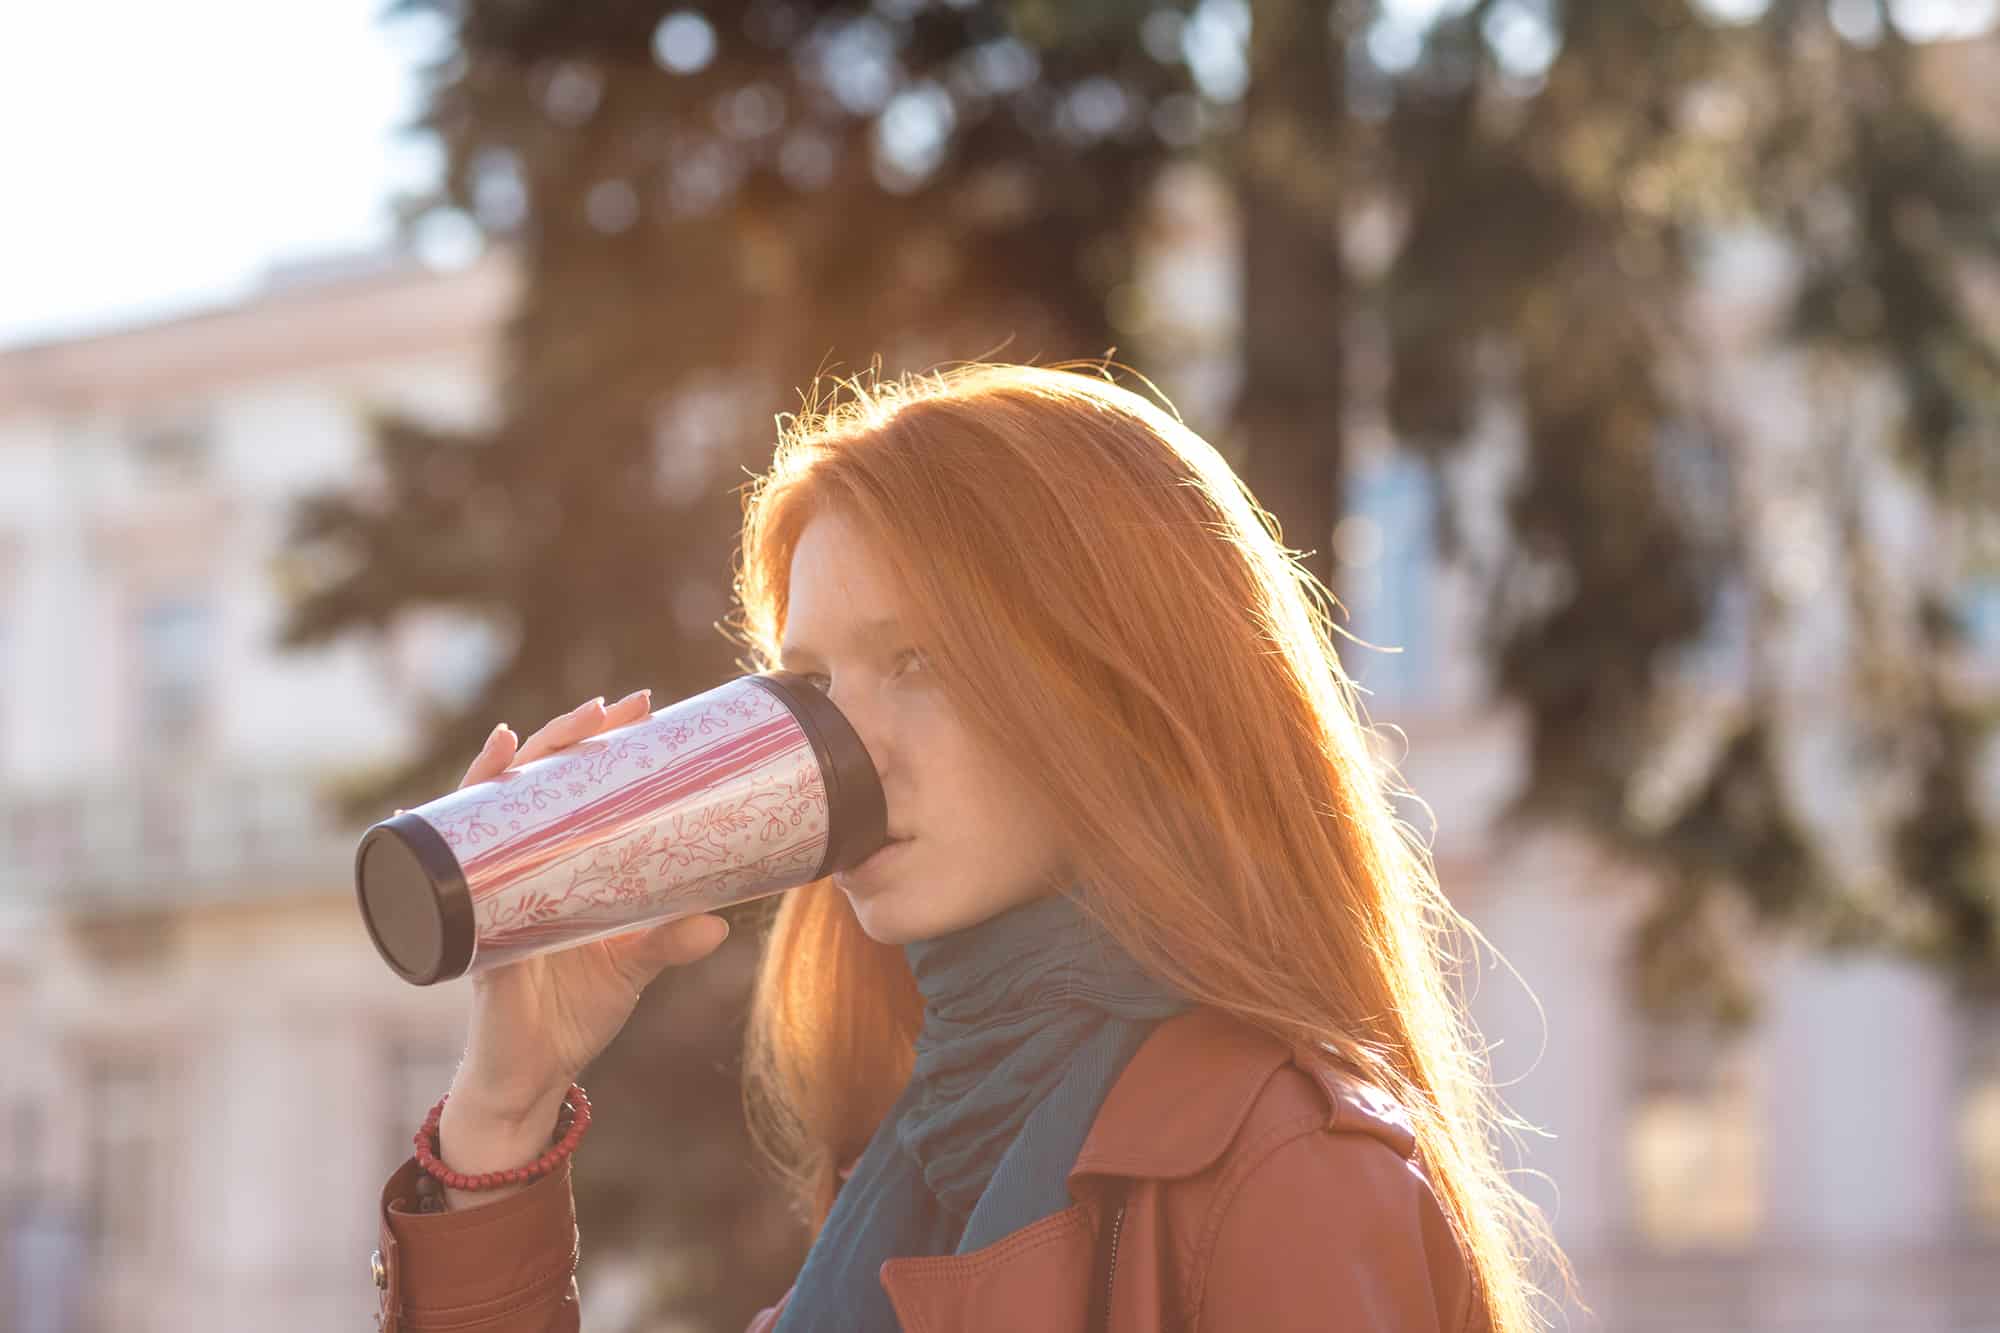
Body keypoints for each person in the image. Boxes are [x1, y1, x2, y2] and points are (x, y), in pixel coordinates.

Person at [369, 363, 1572, 1332]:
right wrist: (504, 1109)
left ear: (1127, 687)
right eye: (810, 681)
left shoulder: (1283, 1171)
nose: (850, 746)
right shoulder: (917, 1168)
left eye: (922, 661)